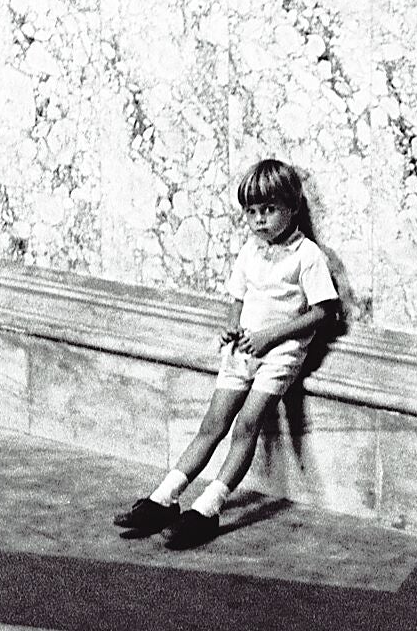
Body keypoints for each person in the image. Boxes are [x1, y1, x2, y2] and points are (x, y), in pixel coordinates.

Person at [112, 158, 340, 549]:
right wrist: (234, 327)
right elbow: (237, 297)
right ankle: (164, 498)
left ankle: (208, 509)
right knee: (211, 425)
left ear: (293, 207)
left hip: (279, 352)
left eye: (268, 210)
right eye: (251, 212)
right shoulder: (251, 252)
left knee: (246, 425)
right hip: (244, 349)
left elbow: (323, 311)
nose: (259, 220)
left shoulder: (307, 255)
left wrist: (270, 337)